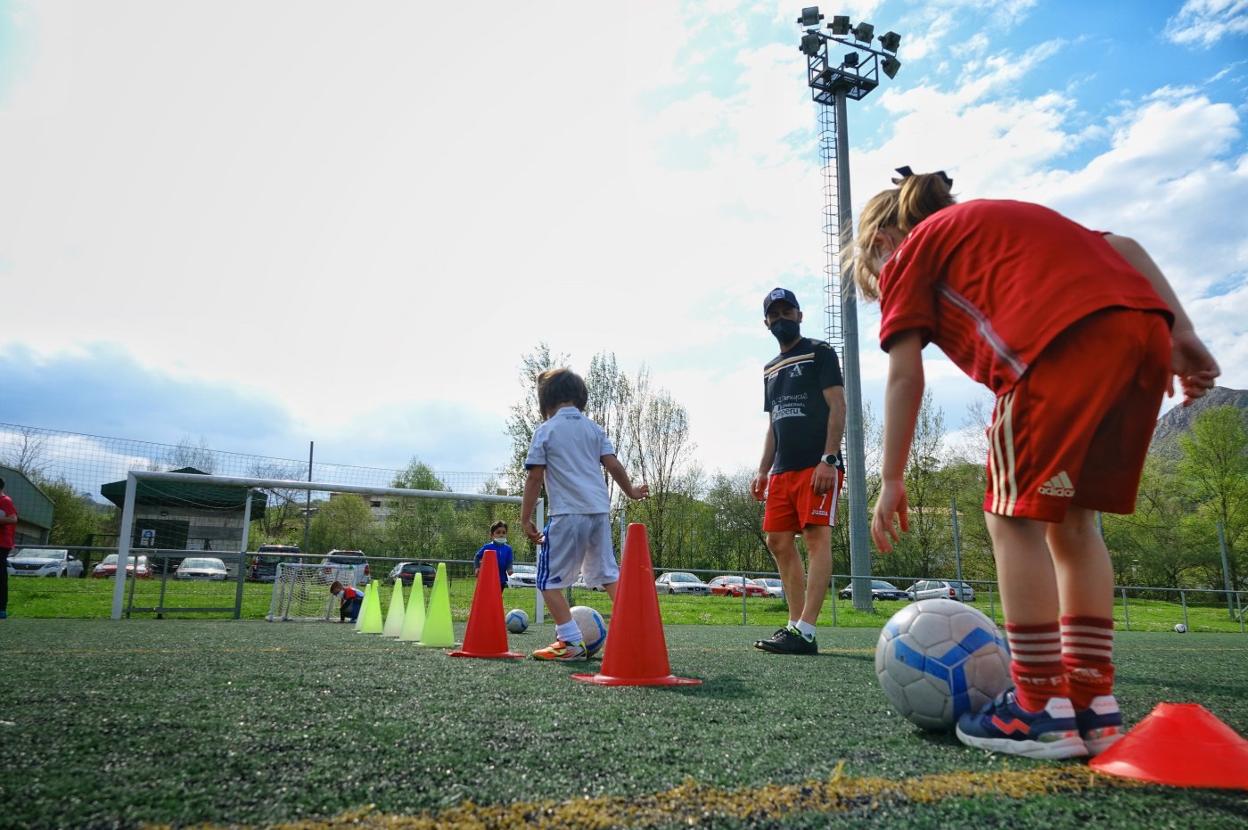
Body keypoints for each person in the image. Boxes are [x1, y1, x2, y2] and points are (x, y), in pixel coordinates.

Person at [855, 169, 1220, 759]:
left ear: (881, 243)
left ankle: (1039, 705)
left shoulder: (907, 255)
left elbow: (904, 373)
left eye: (871, 279)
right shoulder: (998, 222)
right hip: (1141, 332)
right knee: (1073, 523)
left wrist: (892, 478)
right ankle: (1090, 702)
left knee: (1012, 518)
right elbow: (1123, 247)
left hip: (1055, 345)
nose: (880, 288)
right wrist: (1184, 333)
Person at [519, 368, 649, 661]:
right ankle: (634, 634)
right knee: (608, 574)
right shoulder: (594, 429)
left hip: (566, 514)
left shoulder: (546, 430)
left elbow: (534, 478)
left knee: (547, 581)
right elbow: (613, 465)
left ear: (545, 401)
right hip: (599, 512)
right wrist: (630, 491)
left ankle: (570, 640)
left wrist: (525, 518)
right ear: (581, 398)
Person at [750, 288, 847, 655]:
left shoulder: (820, 352)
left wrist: (830, 457)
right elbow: (774, 423)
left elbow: (837, 405)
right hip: (781, 470)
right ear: (766, 323)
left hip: (817, 465)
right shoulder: (770, 369)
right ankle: (794, 626)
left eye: (786, 311)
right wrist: (762, 469)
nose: (781, 319)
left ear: (799, 315)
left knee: (815, 538)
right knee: (777, 541)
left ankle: (806, 628)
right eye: (774, 315)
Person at [474, 521, 514, 591]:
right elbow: (477, 557)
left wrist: (509, 569)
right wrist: (477, 568)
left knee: (497, 597)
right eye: (498, 532)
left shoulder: (508, 548)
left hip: (501, 579)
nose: (501, 535)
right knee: (488, 595)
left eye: (503, 532)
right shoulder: (487, 547)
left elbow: (509, 561)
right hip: (488, 578)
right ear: (492, 535)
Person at [0, 477, 16, 620]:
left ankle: (1, 609)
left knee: (0, 577)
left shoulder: (5, 501)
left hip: (2, 544)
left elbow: (13, 519)